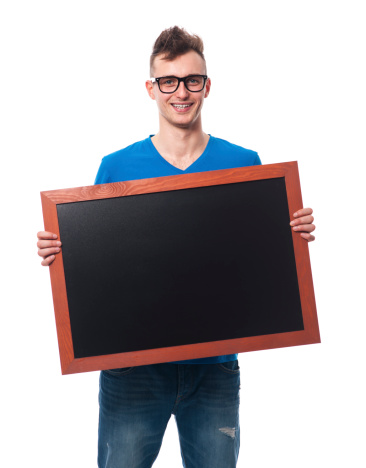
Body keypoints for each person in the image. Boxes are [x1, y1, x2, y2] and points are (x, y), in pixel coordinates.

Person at [37, 26, 316, 468]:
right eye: (169, 81)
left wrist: (291, 233)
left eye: (192, 80)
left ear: (207, 86)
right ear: (151, 88)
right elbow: (101, 264)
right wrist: (61, 251)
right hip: (133, 372)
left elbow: (258, 260)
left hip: (215, 370)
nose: (180, 92)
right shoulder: (117, 167)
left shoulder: (243, 164)